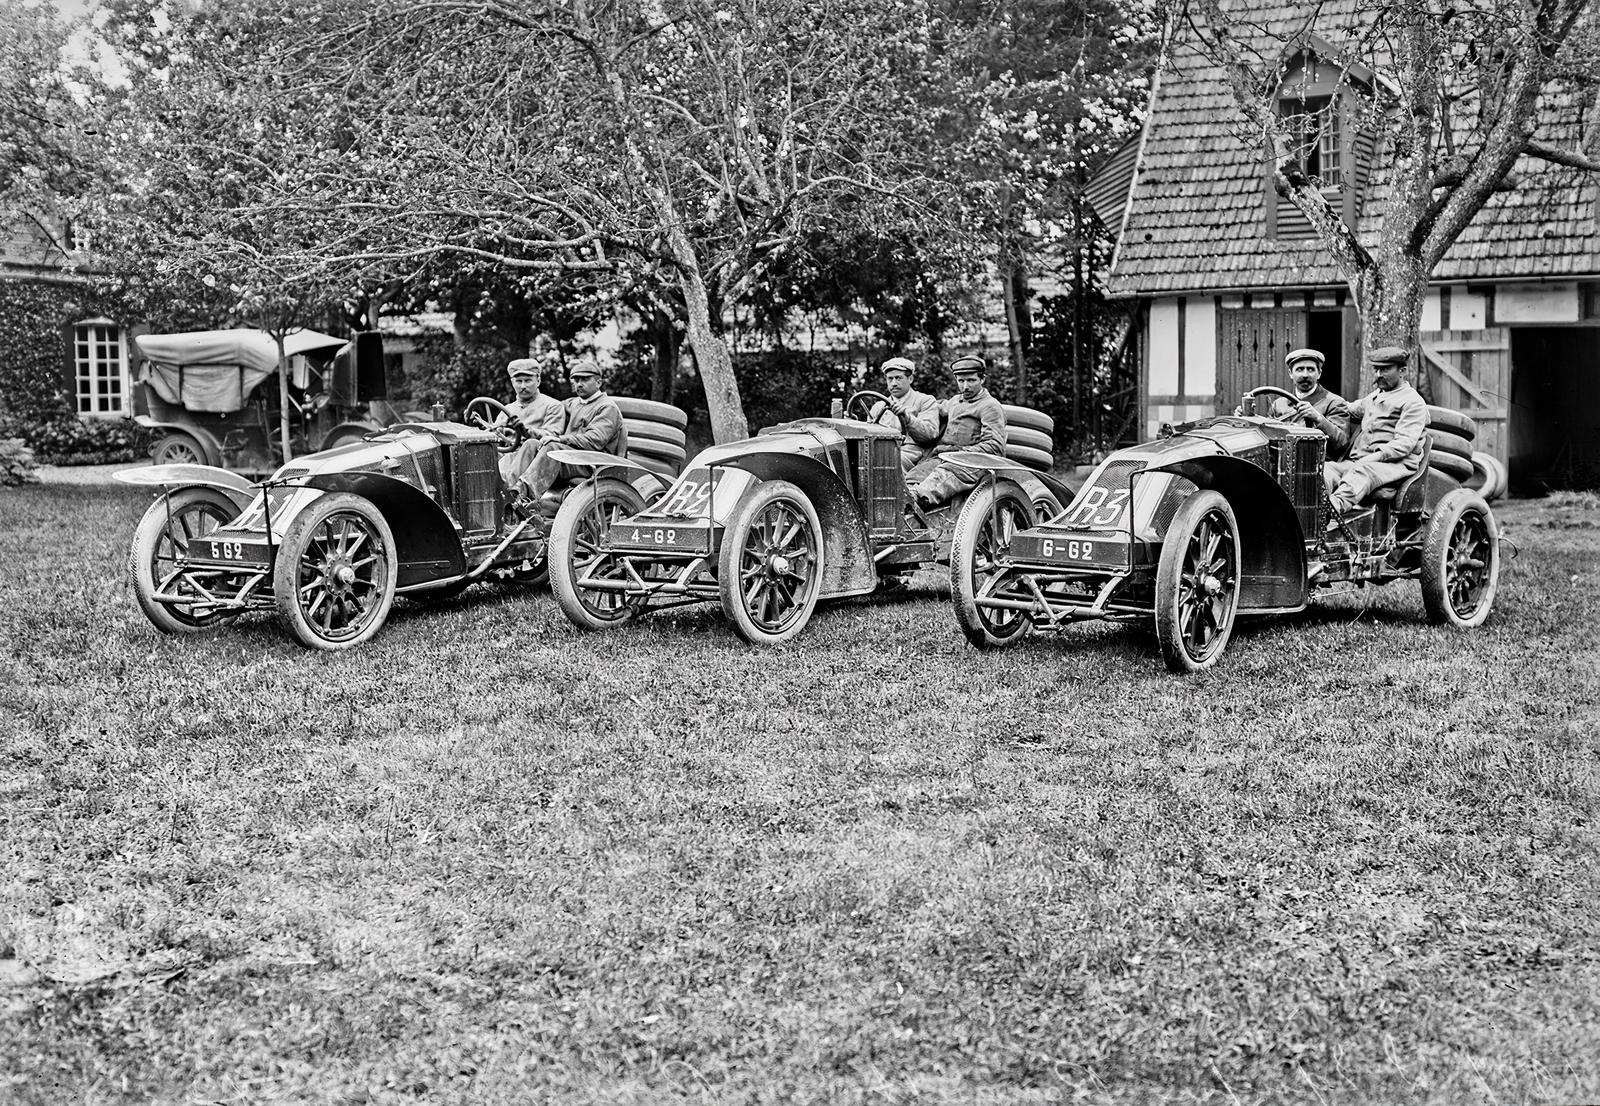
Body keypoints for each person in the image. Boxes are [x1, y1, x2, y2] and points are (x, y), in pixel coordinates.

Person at [504, 359, 629, 508]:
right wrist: (520, 425)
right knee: (531, 444)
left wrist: (559, 439)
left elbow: (595, 441)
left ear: (599, 382)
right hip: (571, 458)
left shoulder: (607, 407)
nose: (579, 384)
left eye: (585, 379)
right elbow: (545, 407)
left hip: (590, 461)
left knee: (552, 448)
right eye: (576, 380)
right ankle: (509, 492)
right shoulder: (573, 403)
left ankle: (524, 496)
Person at [1322, 346, 1429, 517]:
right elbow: (1348, 409)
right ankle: (1311, 519)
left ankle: (1330, 513)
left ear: (1402, 371)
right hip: (1360, 461)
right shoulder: (1375, 396)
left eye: (1385, 369)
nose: (1378, 374)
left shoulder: (1413, 402)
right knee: (1325, 470)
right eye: (1376, 369)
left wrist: (1371, 458)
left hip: (1394, 465)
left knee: (1360, 473)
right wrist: (1321, 404)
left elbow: (1403, 445)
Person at [904, 355, 1007, 510]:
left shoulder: (989, 406)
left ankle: (916, 500)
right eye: (961, 381)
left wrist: (960, 453)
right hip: (943, 457)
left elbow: (995, 445)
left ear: (982, 379)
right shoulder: (954, 401)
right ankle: (906, 505)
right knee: (914, 475)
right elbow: (933, 408)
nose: (965, 386)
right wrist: (906, 410)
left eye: (971, 380)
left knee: (944, 474)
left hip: (973, 462)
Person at [1268, 348, 1351, 460]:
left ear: (1319, 373)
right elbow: (1265, 436)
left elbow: (1342, 443)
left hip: (1317, 466)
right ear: (1290, 373)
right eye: (1299, 369)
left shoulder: (1334, 402)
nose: (1305, 375)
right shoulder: (1279, 404)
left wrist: (1318, 419)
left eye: (1311, 369)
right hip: (1281, 463)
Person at [495, 357, 567, 488]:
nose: (523, 386)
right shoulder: (507, 410)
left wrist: (526, 431)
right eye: (518, 381)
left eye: (528, 381)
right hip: (506, 455)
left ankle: (509, 490)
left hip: (534, 460)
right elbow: (495, 436)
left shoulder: (552, 406)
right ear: (512, 383)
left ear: (538, 380)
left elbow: (552, 436)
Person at [871, 356, 941, 468]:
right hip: (881, 451)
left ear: (910, 379)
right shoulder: (878, 407)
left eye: (898, 378)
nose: (893, 383)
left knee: (890, 459)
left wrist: (907, 418)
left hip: (913, 453)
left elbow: (930, 435)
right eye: (890, 379)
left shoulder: (925, 401)